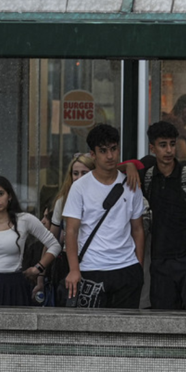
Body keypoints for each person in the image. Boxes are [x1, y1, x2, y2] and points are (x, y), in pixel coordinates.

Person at [63, 123, 146, 309]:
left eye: (114, 149)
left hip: (127, 267)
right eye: (103, 151)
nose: (110, 156)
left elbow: (138, 228)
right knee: (90, 332)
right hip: (91, 268)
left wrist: (138, 266)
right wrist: (74, 269)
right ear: (93, 154)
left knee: (126, 331)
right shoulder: (80, 187)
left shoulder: (131, 184)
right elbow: (71, 230)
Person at [140, 121, 186, 310]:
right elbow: (118, 169)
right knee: (163, 320)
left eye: (172, 144)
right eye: (163, 145)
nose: (169, 150)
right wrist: (131, 168)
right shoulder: (147, 178)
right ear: (152, 148)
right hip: (159, 261)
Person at [0, 176, 60, 307]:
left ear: (9, 196)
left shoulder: (24, 220)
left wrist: (38, 268)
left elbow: (54, 245)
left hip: (14, 285)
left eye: (0, 194)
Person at [45, 153, 96, 305]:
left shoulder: (100, 198)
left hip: (94, 260)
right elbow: (51, 239)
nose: (79, 177)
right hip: (67, 262)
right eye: (75, 173)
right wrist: (41, 273)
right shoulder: (63, 200)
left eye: (84, 173)